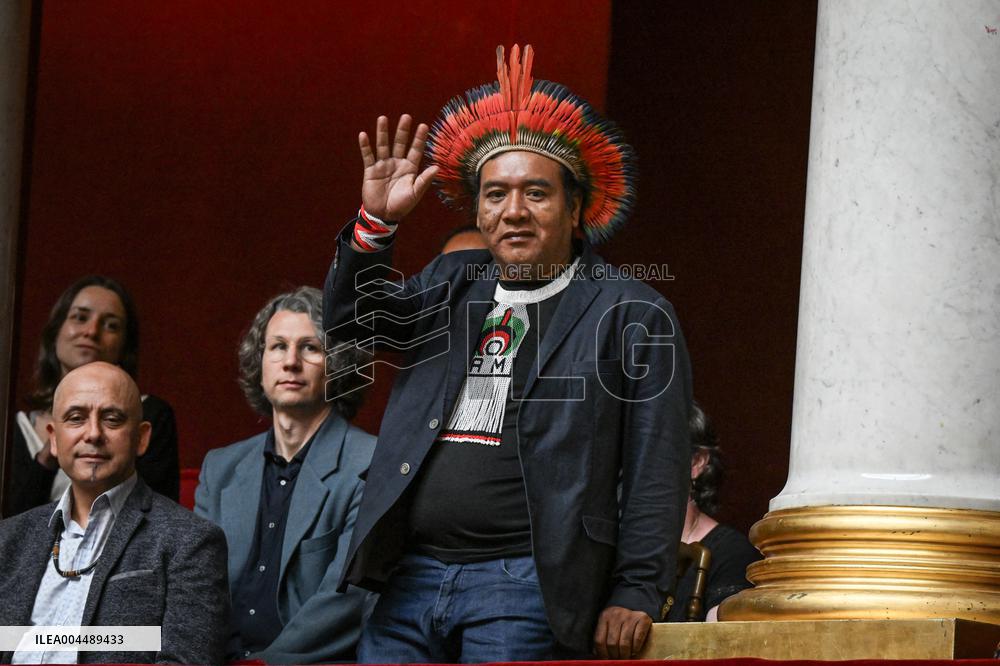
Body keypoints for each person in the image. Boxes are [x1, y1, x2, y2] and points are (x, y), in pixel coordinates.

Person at [324, 45, 692, 661]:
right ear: (478, 209)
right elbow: (350, 322)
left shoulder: (632, 313)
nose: (513, 212)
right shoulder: (450, 279)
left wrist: (635, 588)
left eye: (536, 194)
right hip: (408, 580)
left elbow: (657, 468)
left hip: (525, 586)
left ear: (576, 211)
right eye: (495, 195)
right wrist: (376, 225)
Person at [0, 362, 229, 665]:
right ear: (53, 439)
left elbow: (185, 660)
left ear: (142, 438)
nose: (93, 434)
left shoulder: (190, 542)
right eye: (76, 418)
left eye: (112, 419)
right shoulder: (8, 539)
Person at [195, 287, 376, 664]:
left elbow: (347, 601)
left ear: (338, 363)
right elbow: (197, 586)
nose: (290, 361)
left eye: (310, 347)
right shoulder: (221, 468)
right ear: (259, 364)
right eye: (277, 346)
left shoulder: (370, 462)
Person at [5, 275, 179, 517]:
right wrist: (48, 457)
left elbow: (159, 517)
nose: (91, 331)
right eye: (80, 317)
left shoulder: (152, 414)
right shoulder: (15, 427)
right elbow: (11, 525)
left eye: (111, 325)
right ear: (56, 331)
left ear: (124, 346)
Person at [668, 401, 762, 622]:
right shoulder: (617, 548)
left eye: (658, 451)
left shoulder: (731, 554)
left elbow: (717, 647)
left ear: (696, 461)